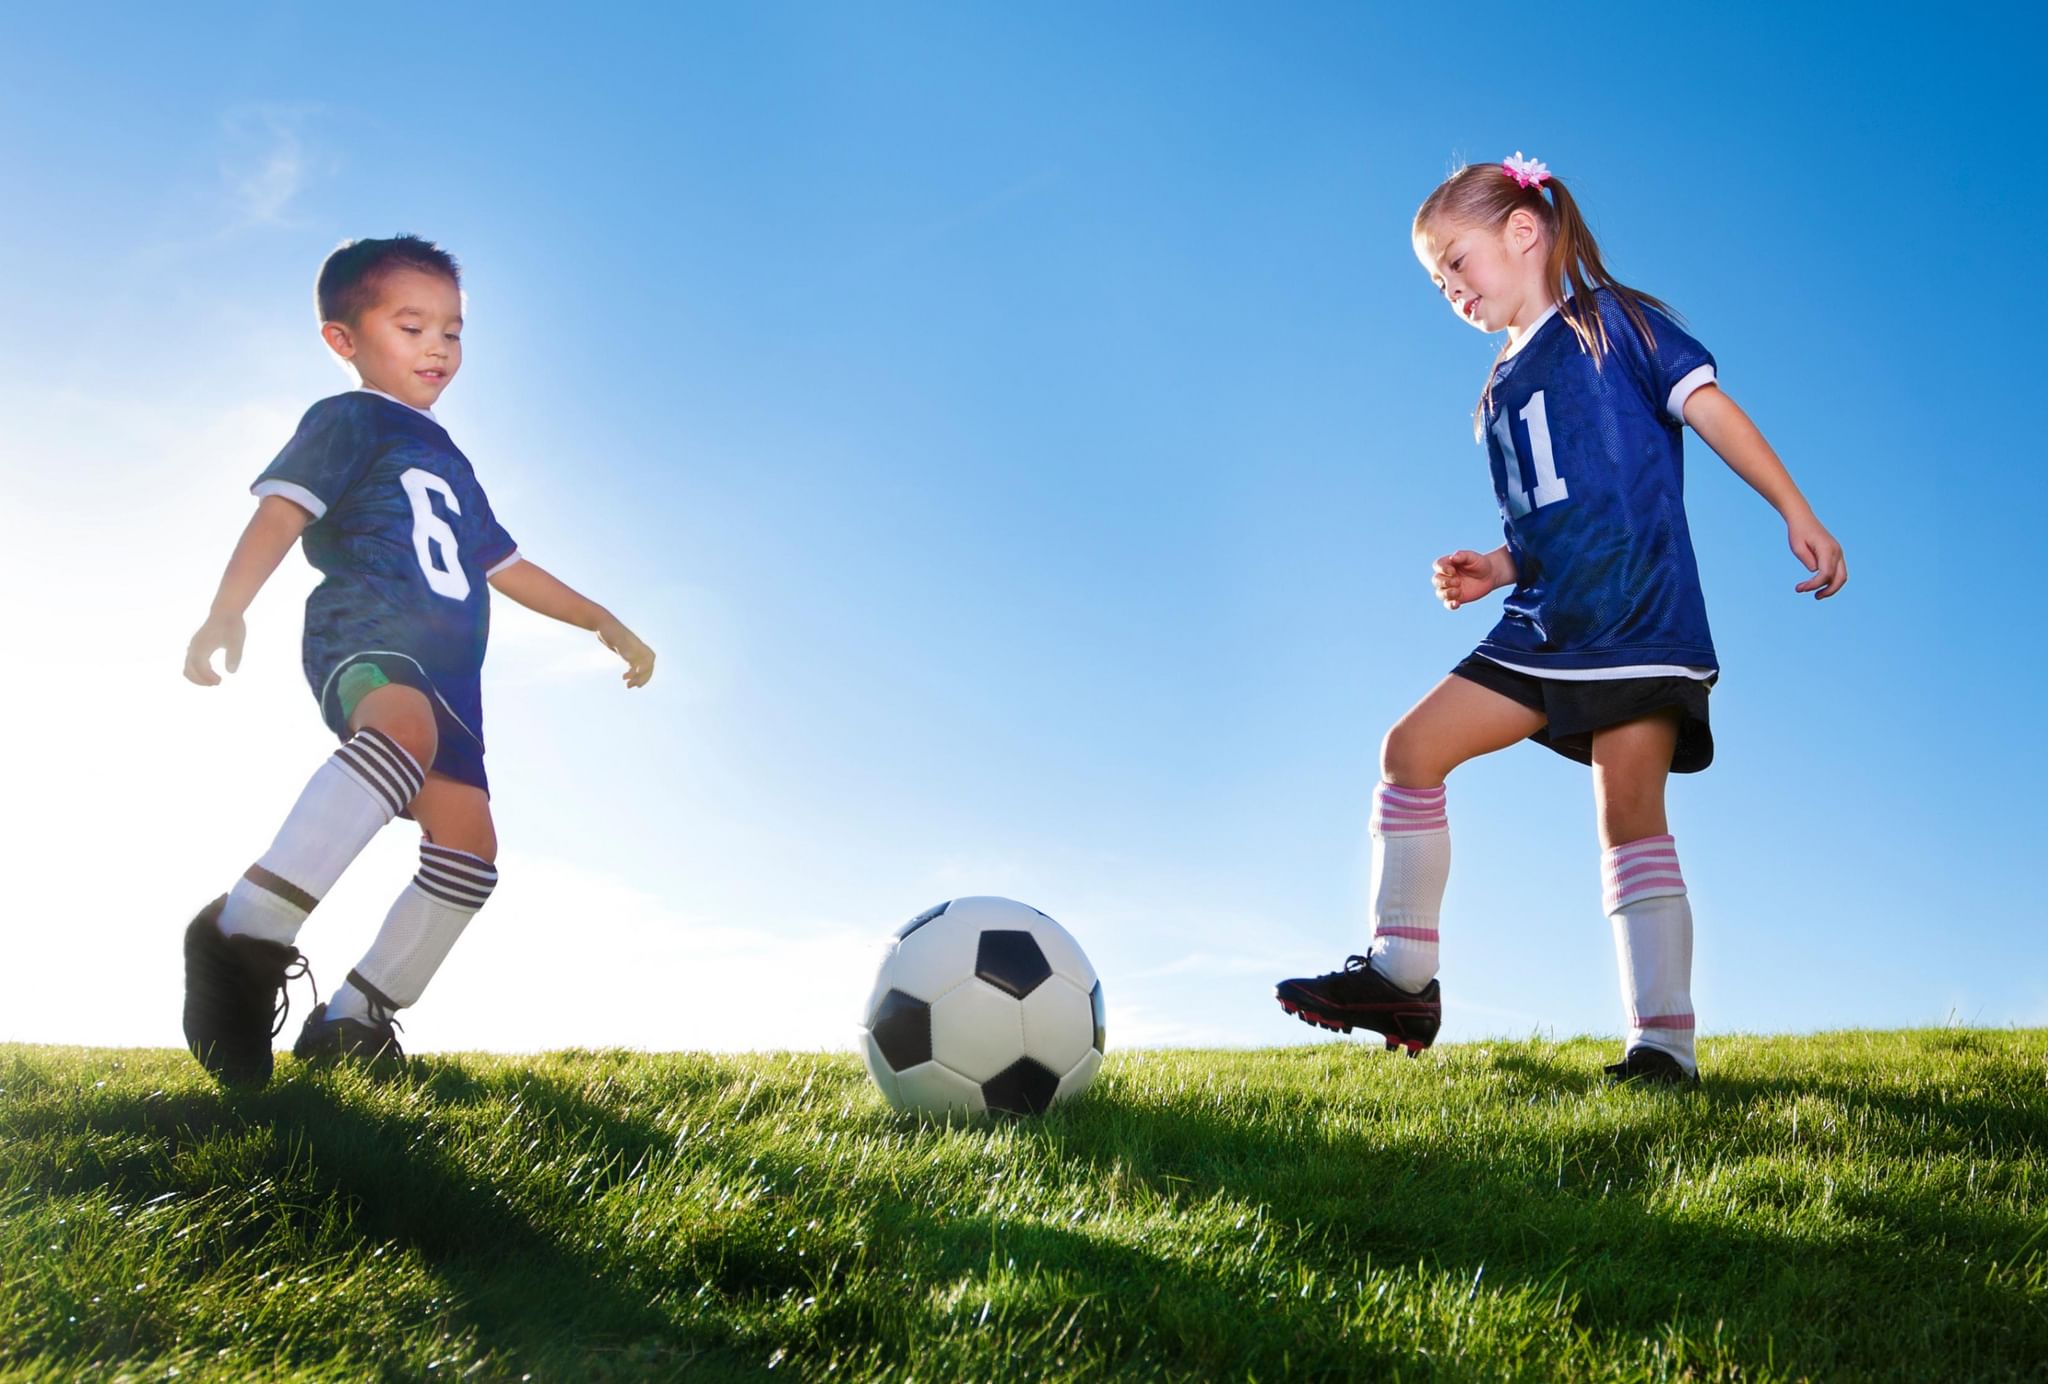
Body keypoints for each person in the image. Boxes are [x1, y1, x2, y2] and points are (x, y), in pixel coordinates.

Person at [1275, 153, 1846, 1084]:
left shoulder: (1610, 325)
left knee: (1629, 821)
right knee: (1409, 751)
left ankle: (1664, 1046)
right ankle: (1402, 977)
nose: (1450, 287)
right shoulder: (1493, 395)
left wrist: (1796, 509)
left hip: (1635, 615)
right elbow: (1547, 516)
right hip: (1545, 620)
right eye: (1436, 279)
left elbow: (1710, 411)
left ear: (1523, 230)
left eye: (1457, 260)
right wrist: (1496, 567)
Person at [181, 235, 656, 1085]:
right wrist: (227, 609)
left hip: (452, 671)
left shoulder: (451, 459)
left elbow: (506, 567)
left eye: (454, 330)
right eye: (412, 326)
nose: (438, 345)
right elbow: (282, 515)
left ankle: (355, 1019)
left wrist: (600, 619)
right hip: (367, 627)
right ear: (345, 340)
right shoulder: (348, 418)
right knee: (397, 732)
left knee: (471, 845)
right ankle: (241, 937)